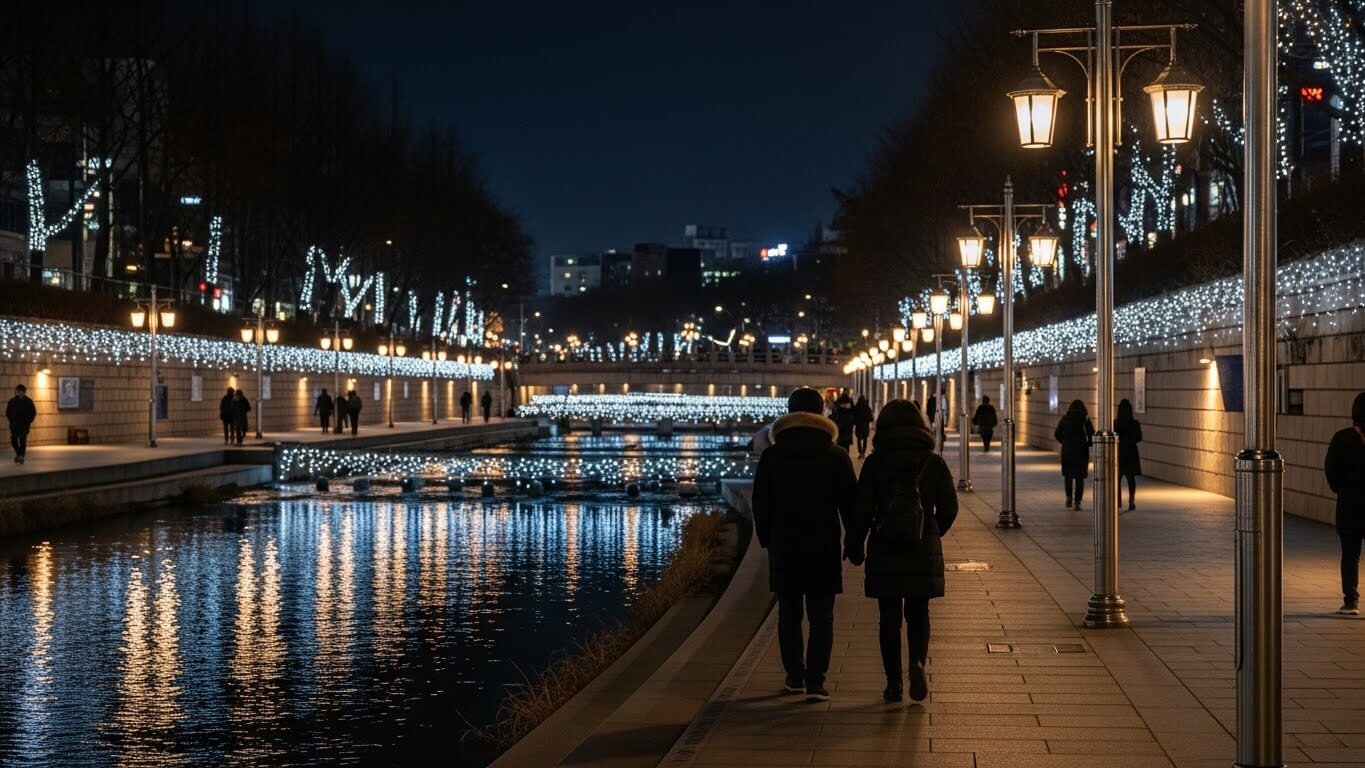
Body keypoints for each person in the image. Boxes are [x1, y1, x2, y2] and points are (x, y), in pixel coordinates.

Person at [752, 387, 858, 703]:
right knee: (821, 617)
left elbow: (761, 500)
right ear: (821, 412)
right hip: (823, 543)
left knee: (789, 615)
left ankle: (794, 677)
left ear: (789, 413)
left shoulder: (773, 454)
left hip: (784, 544)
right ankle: (816, 682)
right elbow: (851, 503)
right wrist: (853, 541)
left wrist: (765, 536)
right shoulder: (836, 455)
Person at [852, 399, 958, 702]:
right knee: (918, 612)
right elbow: (950, 506)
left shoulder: (875, 462)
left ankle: (894, 684)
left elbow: (861, 509)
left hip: (885, 547)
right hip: (921, 548)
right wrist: (931, 531)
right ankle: (917, 662)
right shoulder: (933, 462)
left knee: (889, 617)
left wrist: (856, 543)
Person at [1325, 392, 1365, 615]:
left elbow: (1331, 471)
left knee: (1350, 555)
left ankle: (1351, 601)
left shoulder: (1341, 439)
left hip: (1349, 507)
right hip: (1352, 506)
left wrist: (1341, 488)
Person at [1055, 399, 1095, 510]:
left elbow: (1057, 433)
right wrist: (1087, 444)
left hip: (1067, 450)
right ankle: (1077, 502)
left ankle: (1068, 497)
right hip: (1081, 451)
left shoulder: (1065, 419)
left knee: (1068, 475)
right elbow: (1092, 434)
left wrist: (1065, 442)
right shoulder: (1085, 420)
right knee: (1079, 477)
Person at [1115, 399, 1143, 510]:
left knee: (1117, 479)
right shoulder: (1134, 424)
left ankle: (1118, 502)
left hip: (1119, 454)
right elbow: (1139, 438)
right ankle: (1131, 501)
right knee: (1131, 478)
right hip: (1131, 453)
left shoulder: (1115, 423)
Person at [6, 384, 37, 464]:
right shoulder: (12, 401)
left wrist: (28, 421)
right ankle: (19, 454)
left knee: (22, 440)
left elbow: (33, 413)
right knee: (13, 440)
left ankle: (21, 456)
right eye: (16, 391)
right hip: (14, 425)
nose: (16, 392)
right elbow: (8, 412)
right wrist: (11, 421)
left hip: (24, 425)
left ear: (23, 392)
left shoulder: (28, 401)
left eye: (18, 391)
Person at [832, 389, 855, 454]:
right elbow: (854, 412)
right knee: (847, 444)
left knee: (840, 443)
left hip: (840, 425)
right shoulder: (850, 402)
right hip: (848, 426)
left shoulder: (838, 402)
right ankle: (846, 455)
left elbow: (834, 413)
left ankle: (841, 456)